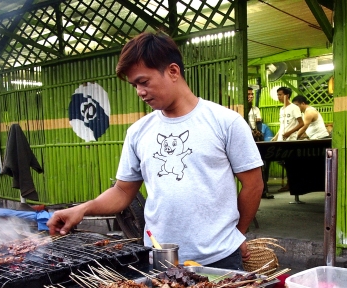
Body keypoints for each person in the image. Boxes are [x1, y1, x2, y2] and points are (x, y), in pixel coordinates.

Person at [47, 32, 264, 271]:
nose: (139, 91)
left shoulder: (225, 122)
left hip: (220, 258)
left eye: (144, 81)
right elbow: (122, 191)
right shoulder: (138, 131)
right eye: (134, 85)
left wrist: (237, 235)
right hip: (160, 257)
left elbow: (253, 185)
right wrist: (83, 208)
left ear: (173, 71)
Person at [272, 87, 303, 192]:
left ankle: (291, 184)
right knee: (283, 161)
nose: (278, 97)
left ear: (287, 95)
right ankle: (290, 182)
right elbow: (282, 125)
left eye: (280, 94)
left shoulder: (294, 108)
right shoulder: (282, 109)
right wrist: (276, 137)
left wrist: (290, 132)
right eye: (278, 95)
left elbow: (301, 123)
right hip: (281, 139)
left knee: (290, 162)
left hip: (291, 139)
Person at [247, 87, 274, 199]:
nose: (251, 96)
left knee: (261, 163)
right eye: (249, 94)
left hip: (254, 138)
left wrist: (257, 132)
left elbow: (258, 123)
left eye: (252, 94)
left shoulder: (256, 109)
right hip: (245, 138)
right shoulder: (240, 108)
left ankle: (263, 189)